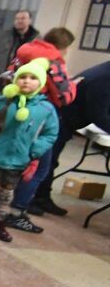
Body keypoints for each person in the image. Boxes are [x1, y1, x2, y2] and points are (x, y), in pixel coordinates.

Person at [0, 59, 58, 243]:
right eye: (23, 76)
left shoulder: (45, 109)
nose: (27, 81)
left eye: (33, 78)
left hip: (20, 159)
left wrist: (34, 151)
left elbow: (50, 133)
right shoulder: (1, 102)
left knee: (6, 195)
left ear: (41, 83)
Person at [2, 28, 77, 231]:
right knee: (37, 168)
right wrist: (73, 85)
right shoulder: (53, 61)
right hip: (37, 117)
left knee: (9, 163)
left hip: (12, 111)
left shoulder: (24, 52)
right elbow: (64, 97)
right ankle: (16, 213)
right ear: (63, 47)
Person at [30, 57, 110, 216]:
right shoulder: (104, 78)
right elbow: (98, 114)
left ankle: (41, 197)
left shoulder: (104, 71)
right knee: (45, 162)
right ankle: (31, 200)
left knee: (50, 161)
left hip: (65, 117)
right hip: (59, 118)